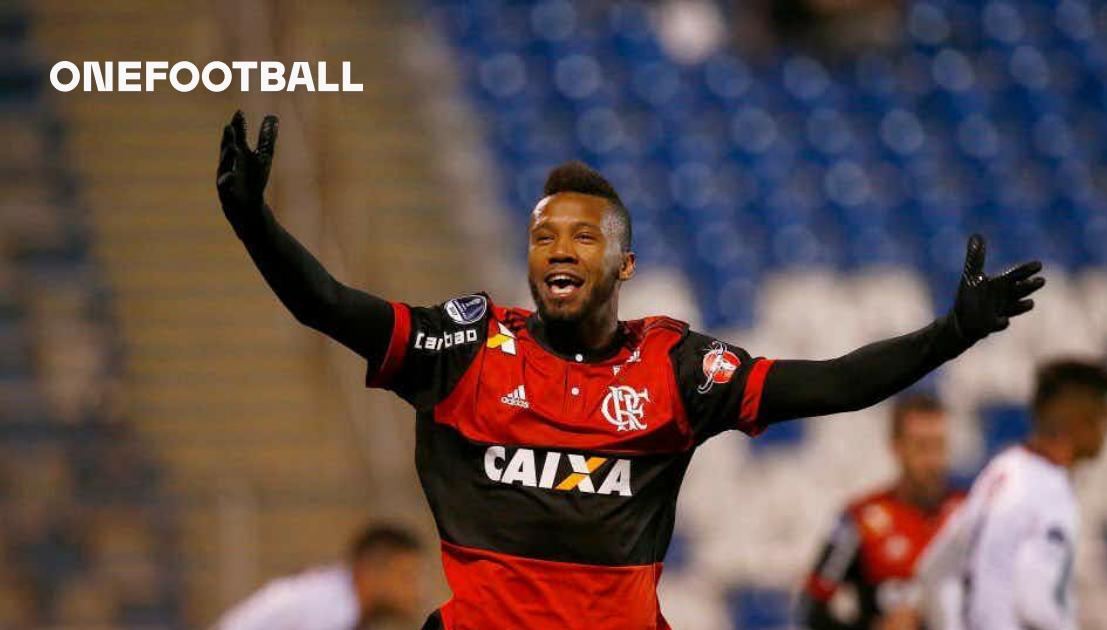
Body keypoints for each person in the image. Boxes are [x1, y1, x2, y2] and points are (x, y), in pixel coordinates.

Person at [214, 111, 1045, 629]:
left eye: (583, 237)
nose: (560, 251)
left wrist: (950, 334)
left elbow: (829, 383)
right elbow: (330, 305)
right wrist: (256, 226)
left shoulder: (676, 368)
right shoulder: (467, 350)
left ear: (625, 263)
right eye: (544, 237)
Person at [916, 360, 1107, 630]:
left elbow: (936, 567)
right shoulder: (1041, 489)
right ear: (1081, 420)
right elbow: (1035, 603)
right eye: (1104, 416)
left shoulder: (1002, 472)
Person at [796, 393, 964, 630]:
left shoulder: (969, 514)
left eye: (939, 445)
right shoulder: (861, 519)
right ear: (897, 448)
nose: (932, 460)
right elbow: (812, 608)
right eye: (921, 447)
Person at [214, 523, 422, 630]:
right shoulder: (328, 609)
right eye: (406, 577)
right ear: (372, 572)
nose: (416, 591)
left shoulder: (336, 601)